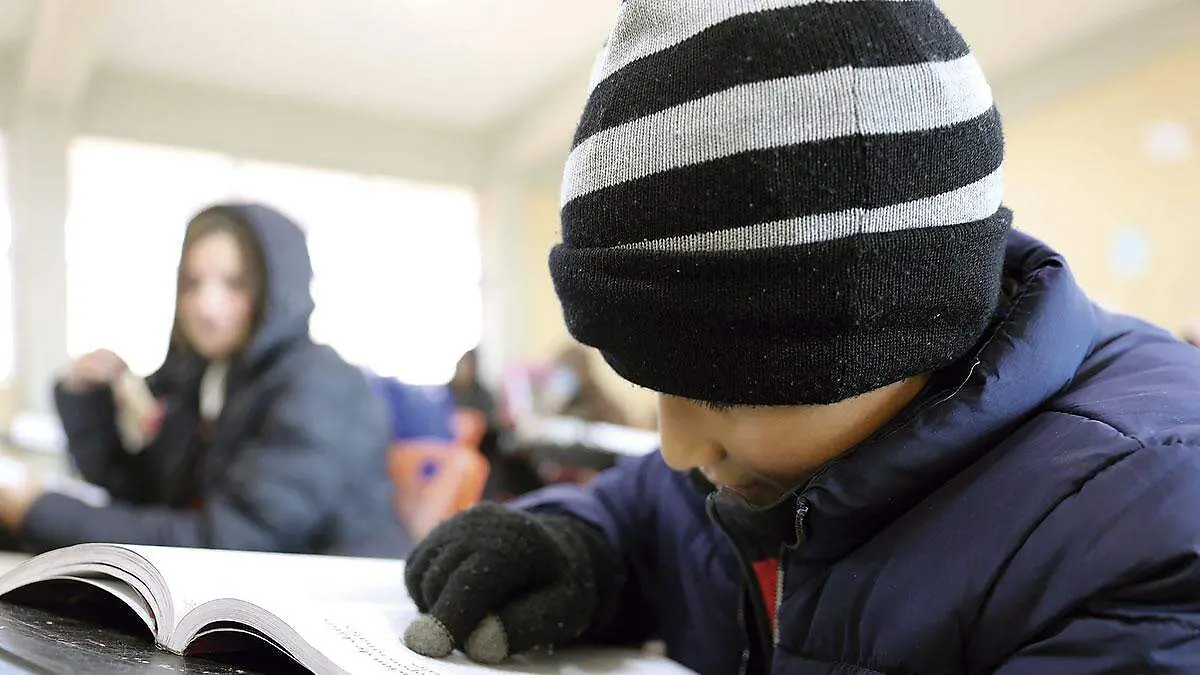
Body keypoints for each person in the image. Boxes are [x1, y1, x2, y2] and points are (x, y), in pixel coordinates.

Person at [399, 3, 1200, 674]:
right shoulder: (754, 464)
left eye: (719, 389)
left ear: (883, 327)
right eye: (652, 379)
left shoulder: (1150, 533)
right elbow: (643, 514)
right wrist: (569, 547)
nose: (677, 446)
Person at [0, 203, 407, 558]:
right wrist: (88, 399)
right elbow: (144, 493)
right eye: (192, 283)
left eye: (235, 283)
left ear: (277, 288)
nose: (206, 306)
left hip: (328, 612)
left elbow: (228, 543)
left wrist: (39, 510)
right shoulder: (211, 378)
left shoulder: (322, 388)